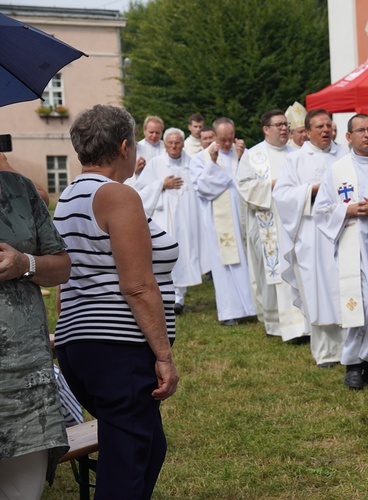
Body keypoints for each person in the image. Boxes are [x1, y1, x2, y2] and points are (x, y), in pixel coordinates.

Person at [53, 104, 179, 499]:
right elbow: (138, 284)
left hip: (81, 341)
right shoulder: (117, 195)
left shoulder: (69, 196)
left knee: (145, 445)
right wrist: (163, 355)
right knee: (128, 462)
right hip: (116, 344)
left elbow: (66, 277)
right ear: (124, 146)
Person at [0, 154, 71, 500]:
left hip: (24, 378)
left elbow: (61, 268)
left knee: (21, 492)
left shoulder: (20, 190)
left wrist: (23, 263)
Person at [313, 114, 368, 388]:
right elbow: (321, 210)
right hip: (351, 244)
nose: (367, 134)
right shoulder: (337, 170)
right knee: (356, 302)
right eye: (360, 130)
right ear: (348, 137)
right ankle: (352, 364)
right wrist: (348, 209)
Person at [274, 109, 348, 367]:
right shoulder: (296, 160)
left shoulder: (346, 155)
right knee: (320, 290)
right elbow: (281, 195)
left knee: (346, 287)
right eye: (320, 126)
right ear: (307, 132)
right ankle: (327, 352)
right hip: (312, 235)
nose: (326, 130)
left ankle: (352, 348)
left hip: (343, 232)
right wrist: (311, 191)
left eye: (329, 125)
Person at [237, 109, 308, 341]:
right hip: (269, 224)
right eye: (278, 124)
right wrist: (274, 184)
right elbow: (245, 185)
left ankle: (303, 324)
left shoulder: (299, 153)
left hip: (296, 222)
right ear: (266, 129)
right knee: (274, 273)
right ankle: (277, 324)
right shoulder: (253, 155)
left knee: (298, 270)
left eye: (285, 124)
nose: (284, 128)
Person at [133, 127, 209, 315]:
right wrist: (161, 185)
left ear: (183, 144)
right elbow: (140, 192)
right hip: (163, 218)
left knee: (184, 254)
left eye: (178, 143)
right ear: (165, 145)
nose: (174, 146)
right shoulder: (155, 164)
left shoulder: (192, 164)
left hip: (186, 219)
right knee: (164, 255)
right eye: (170, 143)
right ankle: (164, 297)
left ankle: (179, 299)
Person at [189, 117, 256, 326]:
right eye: (223, 140)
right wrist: (213, 162)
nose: (227, 144)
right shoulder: (201, 158)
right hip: (220, 222)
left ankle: (251, 307)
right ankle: (229, 311)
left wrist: (244, 156)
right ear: (214, 137)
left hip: (244, 217)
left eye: (230, 139)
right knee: (224, 264)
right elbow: (202, 188)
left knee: (249, 261)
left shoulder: (242, 154)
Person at [126, 115, 166, 186]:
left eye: (157, 133)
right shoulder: (135, 148)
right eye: (151, 132)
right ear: (144, 131)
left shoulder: (167, 147)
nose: (154, 135)